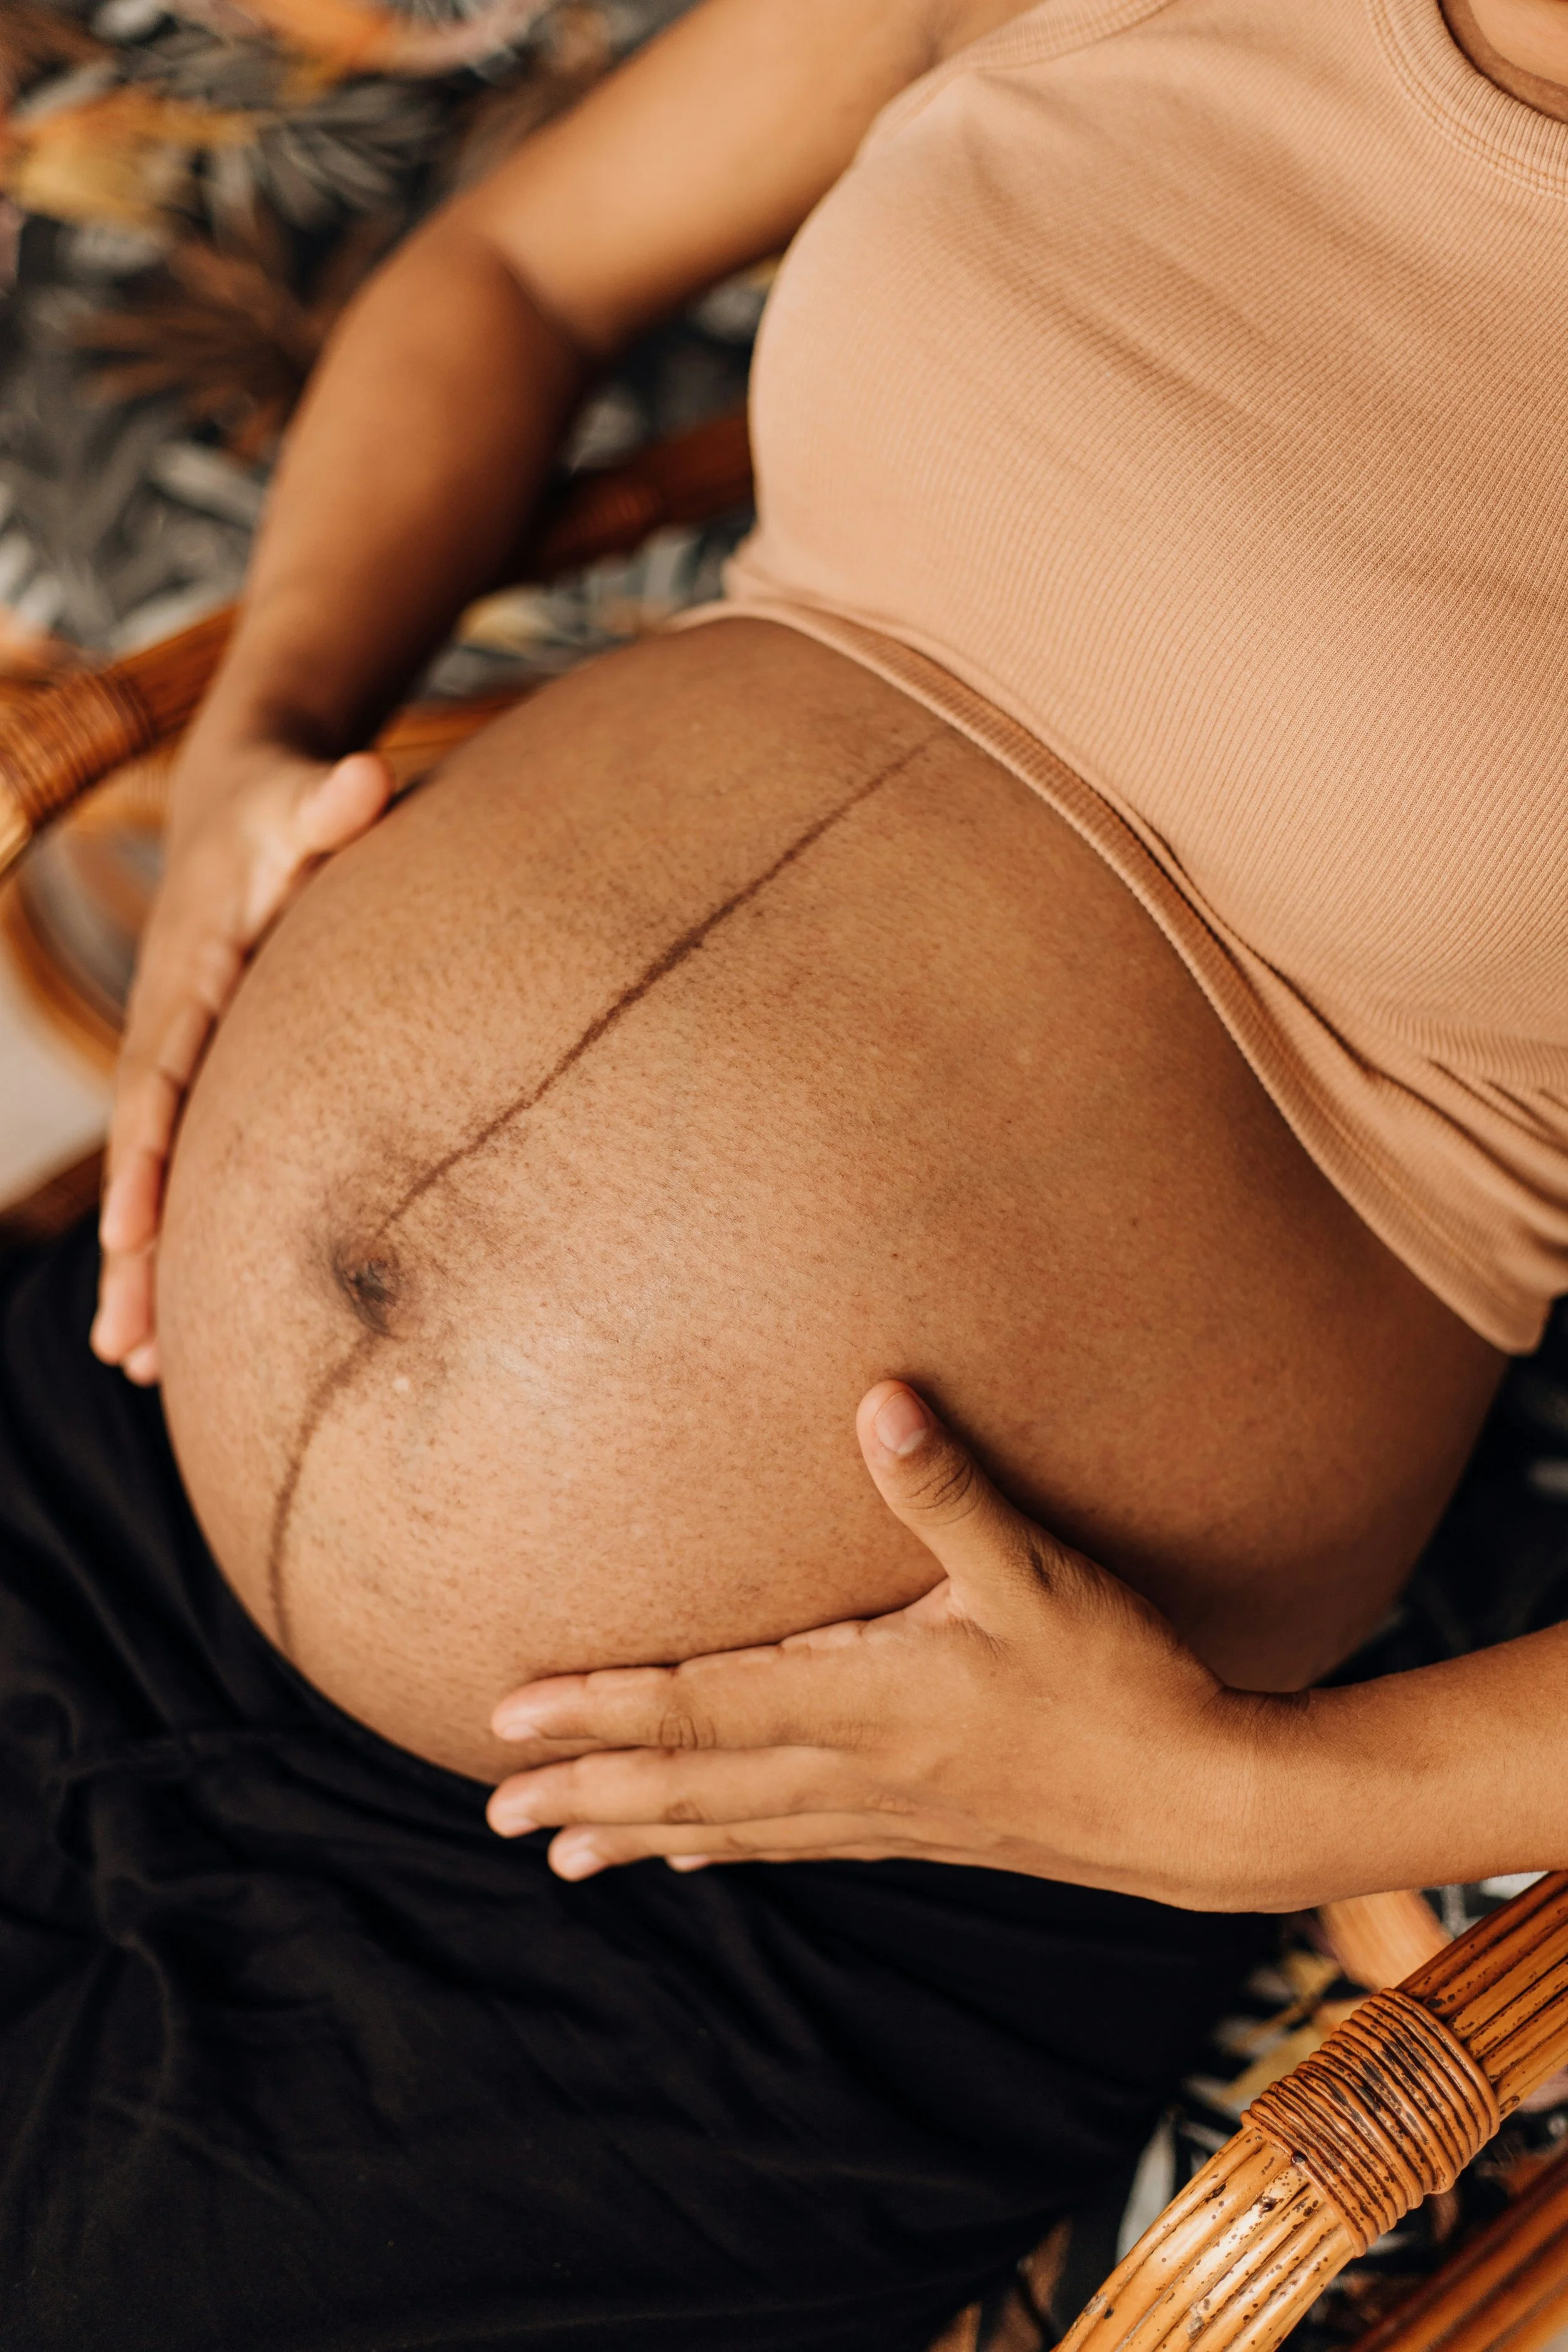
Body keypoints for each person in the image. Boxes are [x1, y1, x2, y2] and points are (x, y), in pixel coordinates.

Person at [7, 0, 1561, 2339]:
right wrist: (263, 732)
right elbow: (511, 274)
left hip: (819, 1858)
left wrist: (1267, 1803)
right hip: (128, 1412)